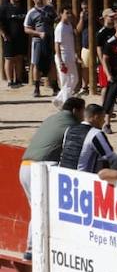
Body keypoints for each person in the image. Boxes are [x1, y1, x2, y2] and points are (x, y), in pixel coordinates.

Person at [19, 97, 85, 258]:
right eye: (82, 111)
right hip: (41, 168)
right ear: (76, 110)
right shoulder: (73, 125)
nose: (83, 115)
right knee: (44, 209)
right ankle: (32, 249)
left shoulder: (51, 118)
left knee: (37, 209)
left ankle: (33, 248)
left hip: (25, 167)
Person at [58, 103, 114, 173]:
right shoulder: (96, 134)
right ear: (96, 117)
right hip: (83, 178)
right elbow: (111, 157)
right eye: (103, 118)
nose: (104, 121)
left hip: (62, 174)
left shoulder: (69, 129)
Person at [52, 5, 79, 109]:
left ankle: (59, 99)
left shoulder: (69, 25)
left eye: (70, 13)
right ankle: (66, 105)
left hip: (70, 56)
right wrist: (60, 60)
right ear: (61, 14)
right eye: (66, 13)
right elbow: (57, 44)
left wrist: (75, 54)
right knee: (65, 81)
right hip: (63, 57)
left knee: (74, 79)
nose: (69, 15)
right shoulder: (60, 27)